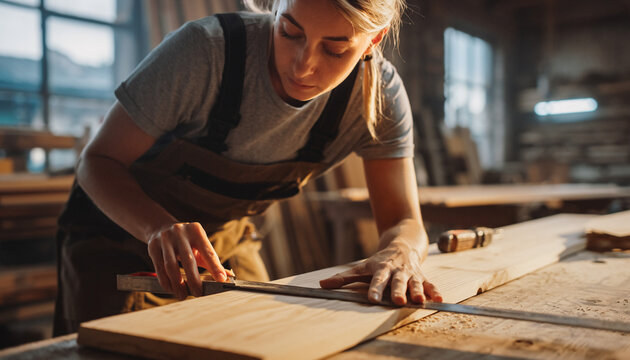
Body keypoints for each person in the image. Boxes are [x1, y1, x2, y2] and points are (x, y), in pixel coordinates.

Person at [53, 0, 443, 336]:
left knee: (261, 339)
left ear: (374, 39)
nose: (303, 65)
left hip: (223, 248)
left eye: (335, 50)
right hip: (115, 240)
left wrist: (400, 251)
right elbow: (97, 162)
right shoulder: (206, 52)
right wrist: (156, 227)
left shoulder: (378, 98)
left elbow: (403, 221)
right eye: (289, 32)